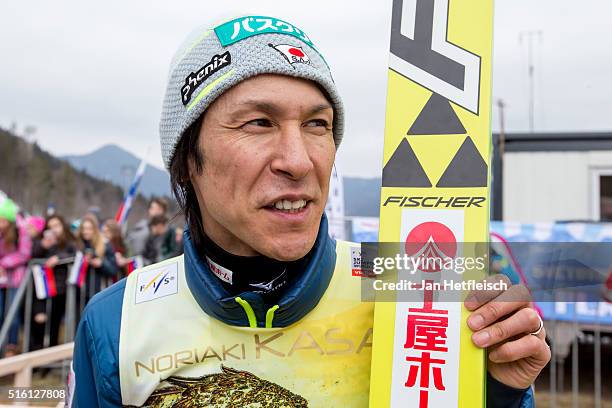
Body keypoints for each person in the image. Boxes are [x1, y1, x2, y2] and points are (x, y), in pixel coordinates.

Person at [70, 16, 550, 407]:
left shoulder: (412, 288)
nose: (299, 161)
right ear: (186, 162)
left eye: (317, 124)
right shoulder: (118, 320)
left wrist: (501, 391)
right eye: (259, 122)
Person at [30, 215, 78, 351]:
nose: (54, 230)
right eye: (50, 227)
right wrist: (43, 245)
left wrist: (59, 258)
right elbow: (32, 254)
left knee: (54, 324)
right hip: (41, 288)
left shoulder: (69, 242)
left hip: (60, 289)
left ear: (62, 226)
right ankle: (35, 356)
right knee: (38, 321)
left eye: (57, 226)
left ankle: (50, 357)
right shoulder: (42, 241)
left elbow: (75, 254)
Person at [0, 198, 31, 357]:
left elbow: (25, 254)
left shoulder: (21, 231)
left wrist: (4, 263)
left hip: (15, 280)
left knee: (12, 315)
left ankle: (11, 347)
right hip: (1, 281)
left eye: (3, 220)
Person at [76, 215, 119, 301]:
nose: (85, 232)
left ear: (95, 229)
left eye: (89, 229)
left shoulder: (105, 244)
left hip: (99, 291)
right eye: (83, 229)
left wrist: (101, 264)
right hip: (80, 293)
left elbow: (114, 269)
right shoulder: (77, 244)